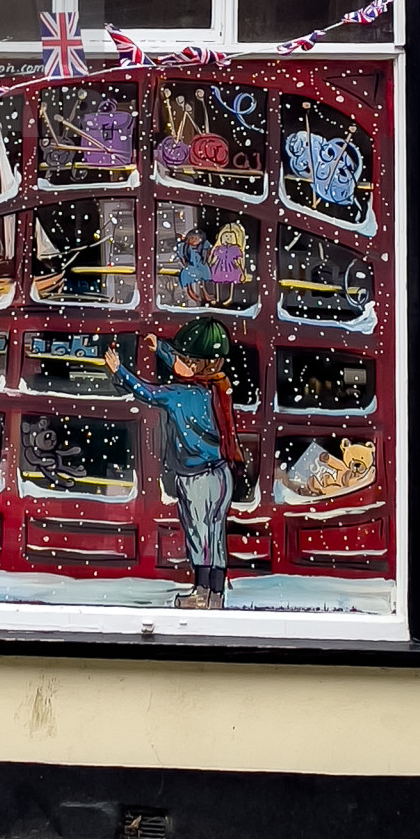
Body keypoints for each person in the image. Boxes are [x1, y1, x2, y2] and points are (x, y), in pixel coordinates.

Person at [104, 317, 241, 610]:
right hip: (220, 474)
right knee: (215, 537)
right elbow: (186, 366)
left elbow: (147, 392)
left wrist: (120, 371)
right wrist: (160, 348)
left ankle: (200, 592)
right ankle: (216, 594)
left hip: (195, 478)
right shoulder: (216, 386)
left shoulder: (180, 394)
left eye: (181, 358)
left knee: (197, 535)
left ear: (194, 365)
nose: (175, 361)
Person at [174, 226, 213, 304]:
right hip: (190, 266)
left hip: (200, 265)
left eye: (196, 239)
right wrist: (185, 265)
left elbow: (208, 252)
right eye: (191, 238)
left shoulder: (202, 247)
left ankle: (205, 293)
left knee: (202, 280)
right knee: (188, 278)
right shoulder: (184, 247)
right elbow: (182, 257)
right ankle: (191, 292)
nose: (194, 240)